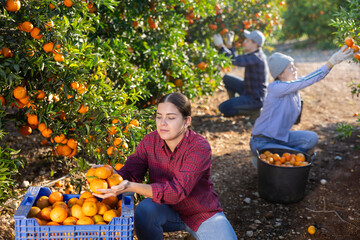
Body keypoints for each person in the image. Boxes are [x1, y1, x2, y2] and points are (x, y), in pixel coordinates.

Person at [93, 92, 237, 240]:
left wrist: (130, 186)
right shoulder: (150, 141)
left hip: (200, 213)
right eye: (159, 116)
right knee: (144, 211)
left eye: (171, 117)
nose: (162, 123)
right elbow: (130, 172)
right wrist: (106, 174)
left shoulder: (199, 147)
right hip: (165, 208)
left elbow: (177, 191)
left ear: (186, 121)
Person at [249, 46, 354, 160]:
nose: (295, 69)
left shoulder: (293, 89)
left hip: (281, 138)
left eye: (294, 66)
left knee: (311, 138)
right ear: (280, 74)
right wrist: (331, 62)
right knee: (297, 156)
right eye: (290, 68)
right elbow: (306, 80)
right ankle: (277, 159)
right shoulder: (275, 88)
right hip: (262, 141)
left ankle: (282, 157)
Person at [213, 30, 269, 120]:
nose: (244, 42)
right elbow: (236, 58)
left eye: (247, 41)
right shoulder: (254, 54)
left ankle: (253, 112)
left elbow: (234, 60)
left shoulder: (256, 58)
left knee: (223, 108)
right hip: (249, 90)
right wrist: (229, 45)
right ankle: (237, 103)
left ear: (254, 44)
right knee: (227, 78)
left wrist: (221, 46)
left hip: (254, 99)